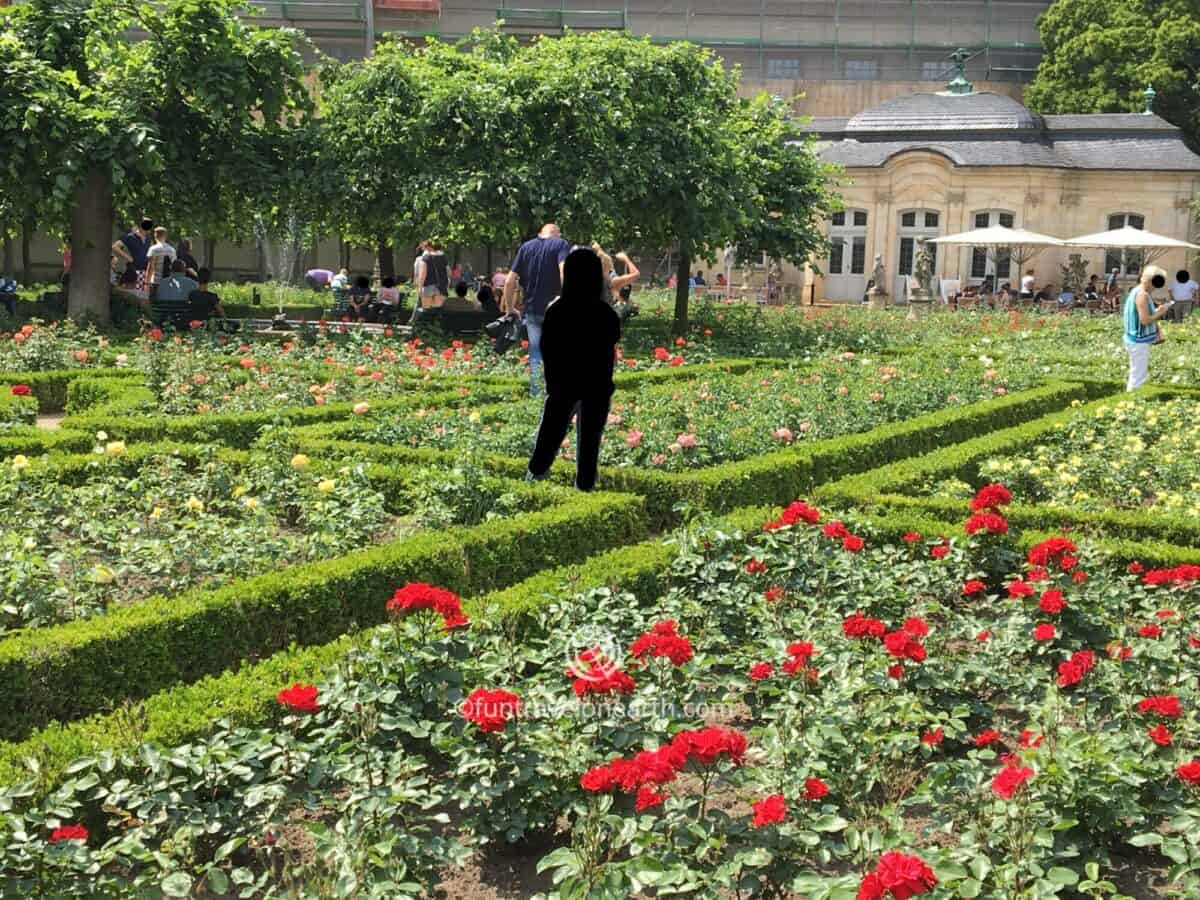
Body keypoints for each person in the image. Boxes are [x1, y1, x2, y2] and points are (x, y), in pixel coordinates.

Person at [526, 247, 621, 492]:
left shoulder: (556, 311)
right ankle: (584, 489)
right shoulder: (606, 314)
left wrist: (554, 381)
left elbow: (547, 348)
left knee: (549, 437)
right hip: (596, 388)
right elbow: (610, 349)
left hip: (562, 386)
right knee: (590, 443)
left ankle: (533, 478)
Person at [503, 223, 571, 396]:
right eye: (560, 232)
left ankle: (537, 394)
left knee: (536, 352)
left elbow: (510, 281)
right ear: (555, 233)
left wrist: (510, 308)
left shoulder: (526, 247)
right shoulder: (560, 244)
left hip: (532, 309)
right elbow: (565, 272)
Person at [1124, 265, 1174, 391]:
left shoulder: (1138, 291)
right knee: (1138, 376)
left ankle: (1131, 401)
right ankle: (1131, 402)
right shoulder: (1142, 295)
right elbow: (1145, 320)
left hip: (1135, 339)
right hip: (1138, 341)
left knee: (1137, 373)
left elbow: (1144, 316)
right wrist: (1161, 312)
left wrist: (1157, 311)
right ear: (1150, 280)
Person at [152, 259, 197, 327]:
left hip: (164, 319)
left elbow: (157, 298)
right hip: (184, 320)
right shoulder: (193, 284)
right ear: (184, 270)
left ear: (171, 270)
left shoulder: (161, 283)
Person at [112, 218, 153, 288]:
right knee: (133, 294)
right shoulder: (130, 236)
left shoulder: (148, 238)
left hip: (145, 272)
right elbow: (115, 246)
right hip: (133, 272)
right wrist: (128, 257)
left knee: (142, 295)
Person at [416, 241, 449, 311]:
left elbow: (422, 274)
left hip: (428, 286)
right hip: (441, 287)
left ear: (429, 247)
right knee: (438, 311)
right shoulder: (443, 257)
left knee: (426, 311)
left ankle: (426, 322)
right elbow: (449, 272)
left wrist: (419, 288)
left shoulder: (426, 258)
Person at [145, 227, 176, 300]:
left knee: (153, 305)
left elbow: (150, 267)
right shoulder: (172, 250)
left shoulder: (153, 249)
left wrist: (147, 283)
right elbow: (174, 266)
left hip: (155, 281)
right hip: (168, 282)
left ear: (155, 235)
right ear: (165, 236)